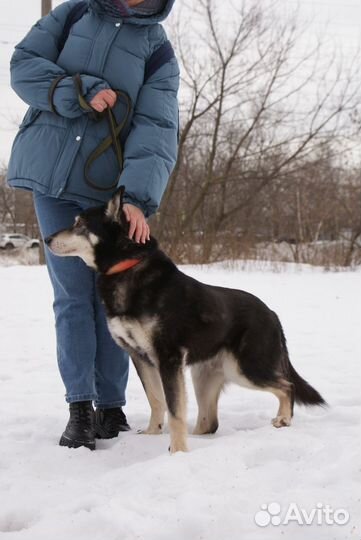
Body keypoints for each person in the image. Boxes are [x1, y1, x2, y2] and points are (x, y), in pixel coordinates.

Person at [7, 0, 179, 450]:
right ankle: (80, 407)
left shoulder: (157, 50)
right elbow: (24, 66)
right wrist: (75, 89)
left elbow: (156, 126)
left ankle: (112, 406)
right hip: (52, 176)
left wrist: (138, 198)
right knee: (71, 297)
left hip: (105, 189)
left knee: (112, 298)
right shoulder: (73, 13)